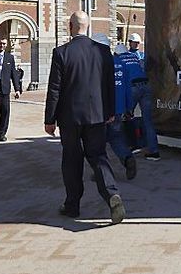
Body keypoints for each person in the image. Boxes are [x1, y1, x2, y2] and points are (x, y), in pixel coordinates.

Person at [44, 12, 125, 224]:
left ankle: (72, 205)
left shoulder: (61, 52)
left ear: (71, 26)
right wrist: (110, 112)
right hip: (97, 115)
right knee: (98, 156)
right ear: (87, 27)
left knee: (71, 160)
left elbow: (54, 89)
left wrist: (49, 119)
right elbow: (109, 85)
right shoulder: (103, 51)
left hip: (69, 117)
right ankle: (111, 195)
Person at [121, 36, 160, 161]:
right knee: (147, 120)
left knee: (125, 116)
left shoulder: (120, 58)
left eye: (138, 43)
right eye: (135, 42)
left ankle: (131, 145)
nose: (136, 44)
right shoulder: (138, 57)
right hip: (145, 86)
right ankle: (153, 151)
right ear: (130, 43)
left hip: (133, 88)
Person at [106, 41, 138, 179]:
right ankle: (127, 158)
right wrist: (129, 108)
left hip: (103, 110)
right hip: (118, 109)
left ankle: (102, 172)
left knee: (98, 142)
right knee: (116, 138)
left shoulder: (100, 64)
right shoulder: (122, 64)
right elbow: (127, 90)